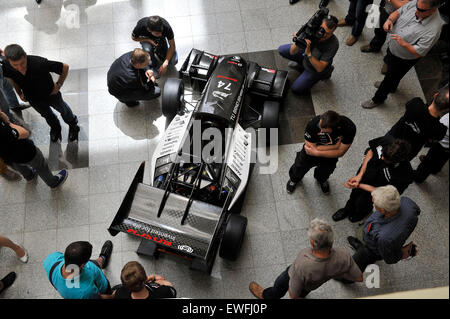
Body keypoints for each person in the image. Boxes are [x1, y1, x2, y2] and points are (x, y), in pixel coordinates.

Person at [249, 218, 363, 299]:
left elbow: (293, 295)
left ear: (312, 242)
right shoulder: (344, 255)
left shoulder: (303, 262)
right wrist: (334, 272)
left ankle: (266, 296)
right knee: (304, 291)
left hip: (294, 275)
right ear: (331, 239)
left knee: (279, 286)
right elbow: (359, 277)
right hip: (312, 285)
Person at [361, 0, 444, 109]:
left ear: (432, 10)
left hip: (405, 58)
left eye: (421, 10)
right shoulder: (417, 3)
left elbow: (419, 52)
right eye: (416, 6)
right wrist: (390, 20)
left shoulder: (434, 29)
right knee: (393, 73)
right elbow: (398, 12)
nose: (416, 11)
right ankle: (392, 87)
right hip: (393, 47)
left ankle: (378, 99)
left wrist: (404, 44)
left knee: (391, 76)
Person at [2, 44, 80, 142]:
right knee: (46, 114)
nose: (20, 68)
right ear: (9, 61)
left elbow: (65, 67)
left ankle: (73, 125)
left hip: (51, 94)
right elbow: (11, 78)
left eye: (22, 63)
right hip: (33, 98)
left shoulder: (39, 63)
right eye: (15, 65)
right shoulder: (6, 66)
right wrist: (19, 92)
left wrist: (59, 84)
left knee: (63, 110)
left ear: (25, 55)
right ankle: (55, 128)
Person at [333, 136, 414, 222]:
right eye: (382, 155)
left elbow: (386, 193)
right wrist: (360, 175)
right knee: (354, 194)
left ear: (398, 160)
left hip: (375, 191)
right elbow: (371, 151)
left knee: (363, 203)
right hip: (364, 175)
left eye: (385, 160)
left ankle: (361, 213)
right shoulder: (386, 140)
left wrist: (360, 185)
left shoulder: (405, 175)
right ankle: (348, 209)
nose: (381, 158)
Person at [347, 185, 420, 272]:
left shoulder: (384, 238)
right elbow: (416, 211)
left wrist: (402, 253)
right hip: (375, 237)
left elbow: (389, 259)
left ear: (382, 210)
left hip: (372, 250)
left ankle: (346, 279)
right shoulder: (407, 202)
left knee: (356, 265)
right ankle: (360, 246)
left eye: (374, 203)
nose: (373, 203)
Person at [286, 110, 356, 194]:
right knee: (299, 166)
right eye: (320, 126)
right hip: (313, 153)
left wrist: (316, 152)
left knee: (326, 171)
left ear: (335, 128)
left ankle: (321, 180)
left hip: (330, 156)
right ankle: (294, 179)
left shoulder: (348, 127)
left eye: (325, 131)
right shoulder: (314, 123)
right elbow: (309, 147)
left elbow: (341, 152)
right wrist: (335, 146)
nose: (321, 131)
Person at [0, 110, 68, 189]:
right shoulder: (3, 130)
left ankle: (29, 177)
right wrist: (8, 122)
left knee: (19, 165)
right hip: (26, 152)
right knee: (41, 166)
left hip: (9, 157)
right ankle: (53, 183)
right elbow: (25, 133)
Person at [278, 15, 339, 95]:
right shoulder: (311, 29)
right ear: (319, 25)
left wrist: (309, 54)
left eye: (328, 34)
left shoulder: (333, 44)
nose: (323, 35)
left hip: (315, 68)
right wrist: (298, 40)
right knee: (281, 50)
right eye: (322, 30)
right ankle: (302, 65)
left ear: (333, 32)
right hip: (306, 55)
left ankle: (327, 71)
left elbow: (320, 68)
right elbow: (292, 52)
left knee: (296, 89)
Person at [387, 85, 449, 160]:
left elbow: (408, 105)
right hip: (408, 151)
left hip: (393, 135)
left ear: (435, 95)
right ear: (447, 110)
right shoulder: (440, 129)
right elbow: (434, 139)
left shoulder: (416, 103)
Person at [43, 240, 113, 299]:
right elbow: (99, 297)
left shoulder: (51, 259)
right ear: (83, 264)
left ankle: (101, 260)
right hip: (102, 287)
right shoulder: (86, 291)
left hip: (80, 266)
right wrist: (113, 296)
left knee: (96, 263)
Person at [105, 261, 176, 299]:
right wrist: (153, 277)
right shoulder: (162, 292)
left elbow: (115, 294)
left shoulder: (120, 293)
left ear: (125, 284)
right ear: (145, 278)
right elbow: (170, 286)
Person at [414, 112, 449, 182]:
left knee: (429, 161)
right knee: (443, 157)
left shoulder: (447, 121)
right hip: (446, 145)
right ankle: (435, 169)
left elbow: (439, 128)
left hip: (442, 143)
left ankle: (418, 177)